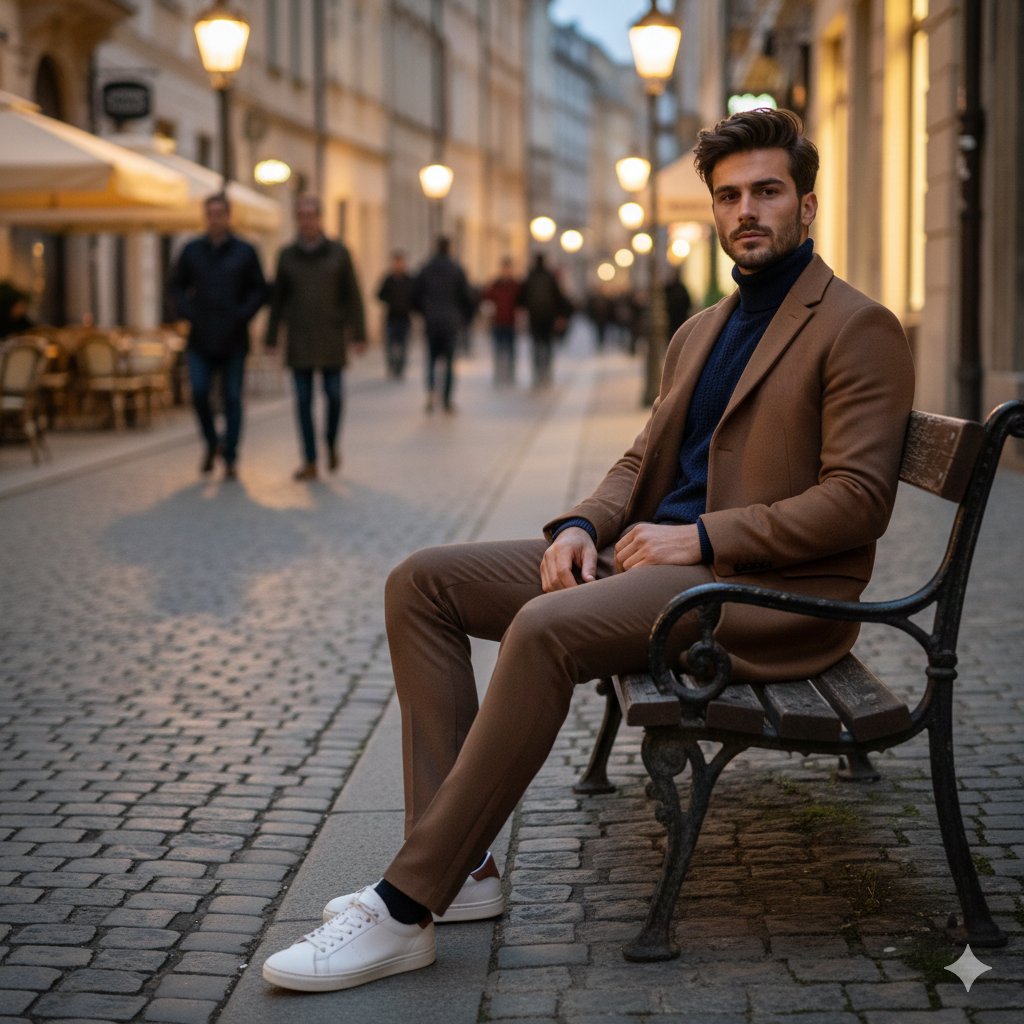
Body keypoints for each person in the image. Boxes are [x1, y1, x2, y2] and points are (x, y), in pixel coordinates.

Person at [262, 108, 915, 992]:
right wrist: (581, 526)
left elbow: (857, 501)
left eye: (767, 191)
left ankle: (408, 905)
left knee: (544, 628)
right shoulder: (703, 329)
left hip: (765, 593)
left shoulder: (856, 325)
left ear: (806, 203)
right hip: (663, 568)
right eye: (729, 196)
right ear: (713, 211)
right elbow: (641, 461)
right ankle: (467, 874)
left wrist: (704, 535)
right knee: (422, 583)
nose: (747, 211)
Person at [266, 195, 367, 481]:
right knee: (302, 401)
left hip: (331, 336)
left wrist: (358, 334)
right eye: (301, 216)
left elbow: (353, 295)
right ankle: (309, 459)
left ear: (320, 219)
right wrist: (271, 337)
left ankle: (331, 442)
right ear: (296, 220)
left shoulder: (338, 253)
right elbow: (277, 300)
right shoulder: (286, 255)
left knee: (334, 396)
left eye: (311, 215)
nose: (307, 221)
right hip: (298, 337)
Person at [169, 193, 268, 479]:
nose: (215, 219)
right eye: (211, 213)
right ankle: (213, 443)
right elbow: (175, 286)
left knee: (232, 398)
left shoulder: (245, 251)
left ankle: (232, 457)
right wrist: (189, 312)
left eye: (220, 213)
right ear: (205, 216)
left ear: (228, 216)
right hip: (201, 338)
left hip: (234, 338)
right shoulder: (192, 251)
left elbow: (260, 289)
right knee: (199, 392)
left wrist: (242, 314)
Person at [413, 236, 475, 413]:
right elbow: (467, 297)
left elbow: (415, 294)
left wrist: (424, 311)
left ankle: (431, 391)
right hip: (450, 321)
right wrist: (465, 319)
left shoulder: (426, 269)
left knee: (431, 360)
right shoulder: (456, 269)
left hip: (432, 320)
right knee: (448, 361)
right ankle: (447, 399)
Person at [519, 252, 567, 387]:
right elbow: (559, 298)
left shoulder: (530, 277)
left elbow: (522, 298)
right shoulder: (550, 277)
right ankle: (546, 372)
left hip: (535, 317)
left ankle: (538, 373)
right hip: (548, 317)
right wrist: (560, 315)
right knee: (547, 345)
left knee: (536, 346)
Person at [482, 256, 522, 386]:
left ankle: (510, 375)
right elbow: (487, 301)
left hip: (511, 322)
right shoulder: (495, 284)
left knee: (511, 350)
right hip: (498, 321)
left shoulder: (515, 285)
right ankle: (498, 374)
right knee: (498, 350)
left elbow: (520, 303)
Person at [377, 250, 416, 379]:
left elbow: (416, 296)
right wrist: (390, 300)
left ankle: (400, 369)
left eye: (401, 262)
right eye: (397, 262)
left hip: (404, 317)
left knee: (403, 345)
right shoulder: (388, 279)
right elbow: (379, 294)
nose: (399, 265)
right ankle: (392, 366)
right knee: (390, 344)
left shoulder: (409, 279)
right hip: (391, 316)